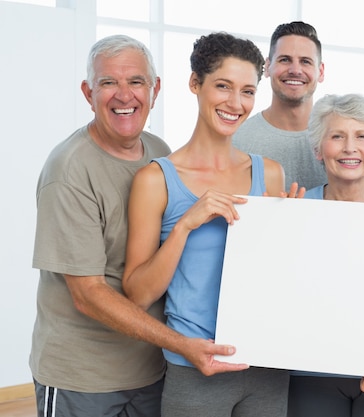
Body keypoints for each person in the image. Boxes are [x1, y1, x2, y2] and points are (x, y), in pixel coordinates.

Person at [30, 34, 242, 417]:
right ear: (87, 92)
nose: (124, 95)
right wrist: (182, 344)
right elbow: (88, 294)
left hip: (150, 372)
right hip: (83, 376)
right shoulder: (69, 170)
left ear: (155, 89)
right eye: (109, 82)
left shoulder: (161, 155)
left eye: (136, 82)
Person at [122, 32, 289, 417]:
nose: (235, 103)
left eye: (247, 91)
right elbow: (138, 295)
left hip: (266, 364)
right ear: (195, 84)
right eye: (223, 86)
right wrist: (185, 225)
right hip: (195, 366)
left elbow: (278, 278)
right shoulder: (156, 180)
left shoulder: (272, 175)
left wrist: (291, 232)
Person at [287, 93, 364, 417]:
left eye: (361, 136)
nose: (349, 147)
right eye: (337, 136)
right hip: (311, 371)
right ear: (318, 149)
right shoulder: (296, 209)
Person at [233, 21, 327, 190]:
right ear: (267, 67)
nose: (295, 70)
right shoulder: (237, 140)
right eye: (285, 60)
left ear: (320, 72)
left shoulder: (338, 142)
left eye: (305, 61)